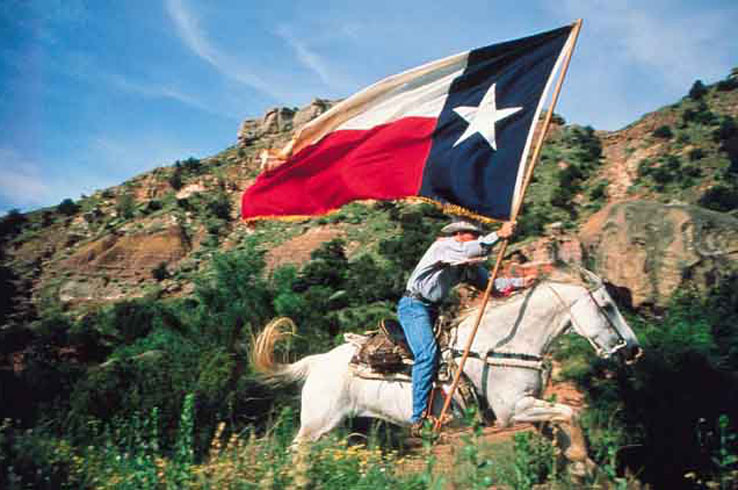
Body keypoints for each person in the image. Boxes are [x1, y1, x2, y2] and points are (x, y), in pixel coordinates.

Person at [398, 218, 527, 430]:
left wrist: (521, 283)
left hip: (432, 309)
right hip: (414, 306)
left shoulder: (467, 266)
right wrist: (499, 235)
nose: (476, 239)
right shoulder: (443, 246)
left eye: (478, 235)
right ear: (459, 234)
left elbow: (492, 285)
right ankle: (418, 417)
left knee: (451, 353)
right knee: (427, 354)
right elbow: (471, 250)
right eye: (473, 235)